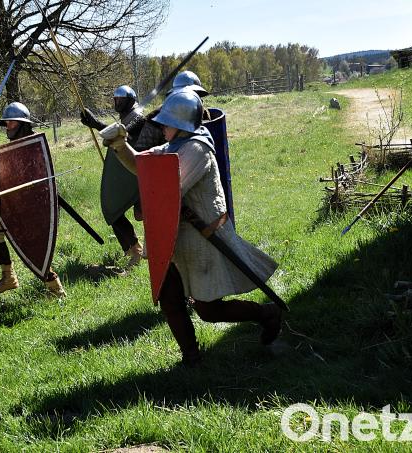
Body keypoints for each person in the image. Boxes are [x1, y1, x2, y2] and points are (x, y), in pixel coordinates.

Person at [104, 90, 283, 366]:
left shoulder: (197, 149)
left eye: (166, 122)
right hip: (174, 239)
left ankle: (266, 314)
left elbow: (168, 189)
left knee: (208, 310)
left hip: (203, 237)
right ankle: (191, 358)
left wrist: (144, 206)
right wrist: (120, 145)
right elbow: (142, 166)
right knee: (170, 300)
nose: (161, 126)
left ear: (181, 123)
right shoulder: (173, 146)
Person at [0, 101, 66, 297]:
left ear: (23, 124)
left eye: (12, 122)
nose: (8, 126)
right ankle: (8, 276)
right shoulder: (9, 150)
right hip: (14, 204)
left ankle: (56, 289)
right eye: (7, 123)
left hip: (36, 206)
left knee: (35, 246)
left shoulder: (34, 146)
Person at [80, 85, 145, 267]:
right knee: (111, 210)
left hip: (137, 174)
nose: (117, 102)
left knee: (115, 209)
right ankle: (132, 248)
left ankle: (138, 251)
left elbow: (124, 135)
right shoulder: (126, 117)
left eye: (121, 99)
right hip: (126, 173)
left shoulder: (139, 116)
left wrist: (96, 124)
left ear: (131, 100)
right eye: (115, 99)